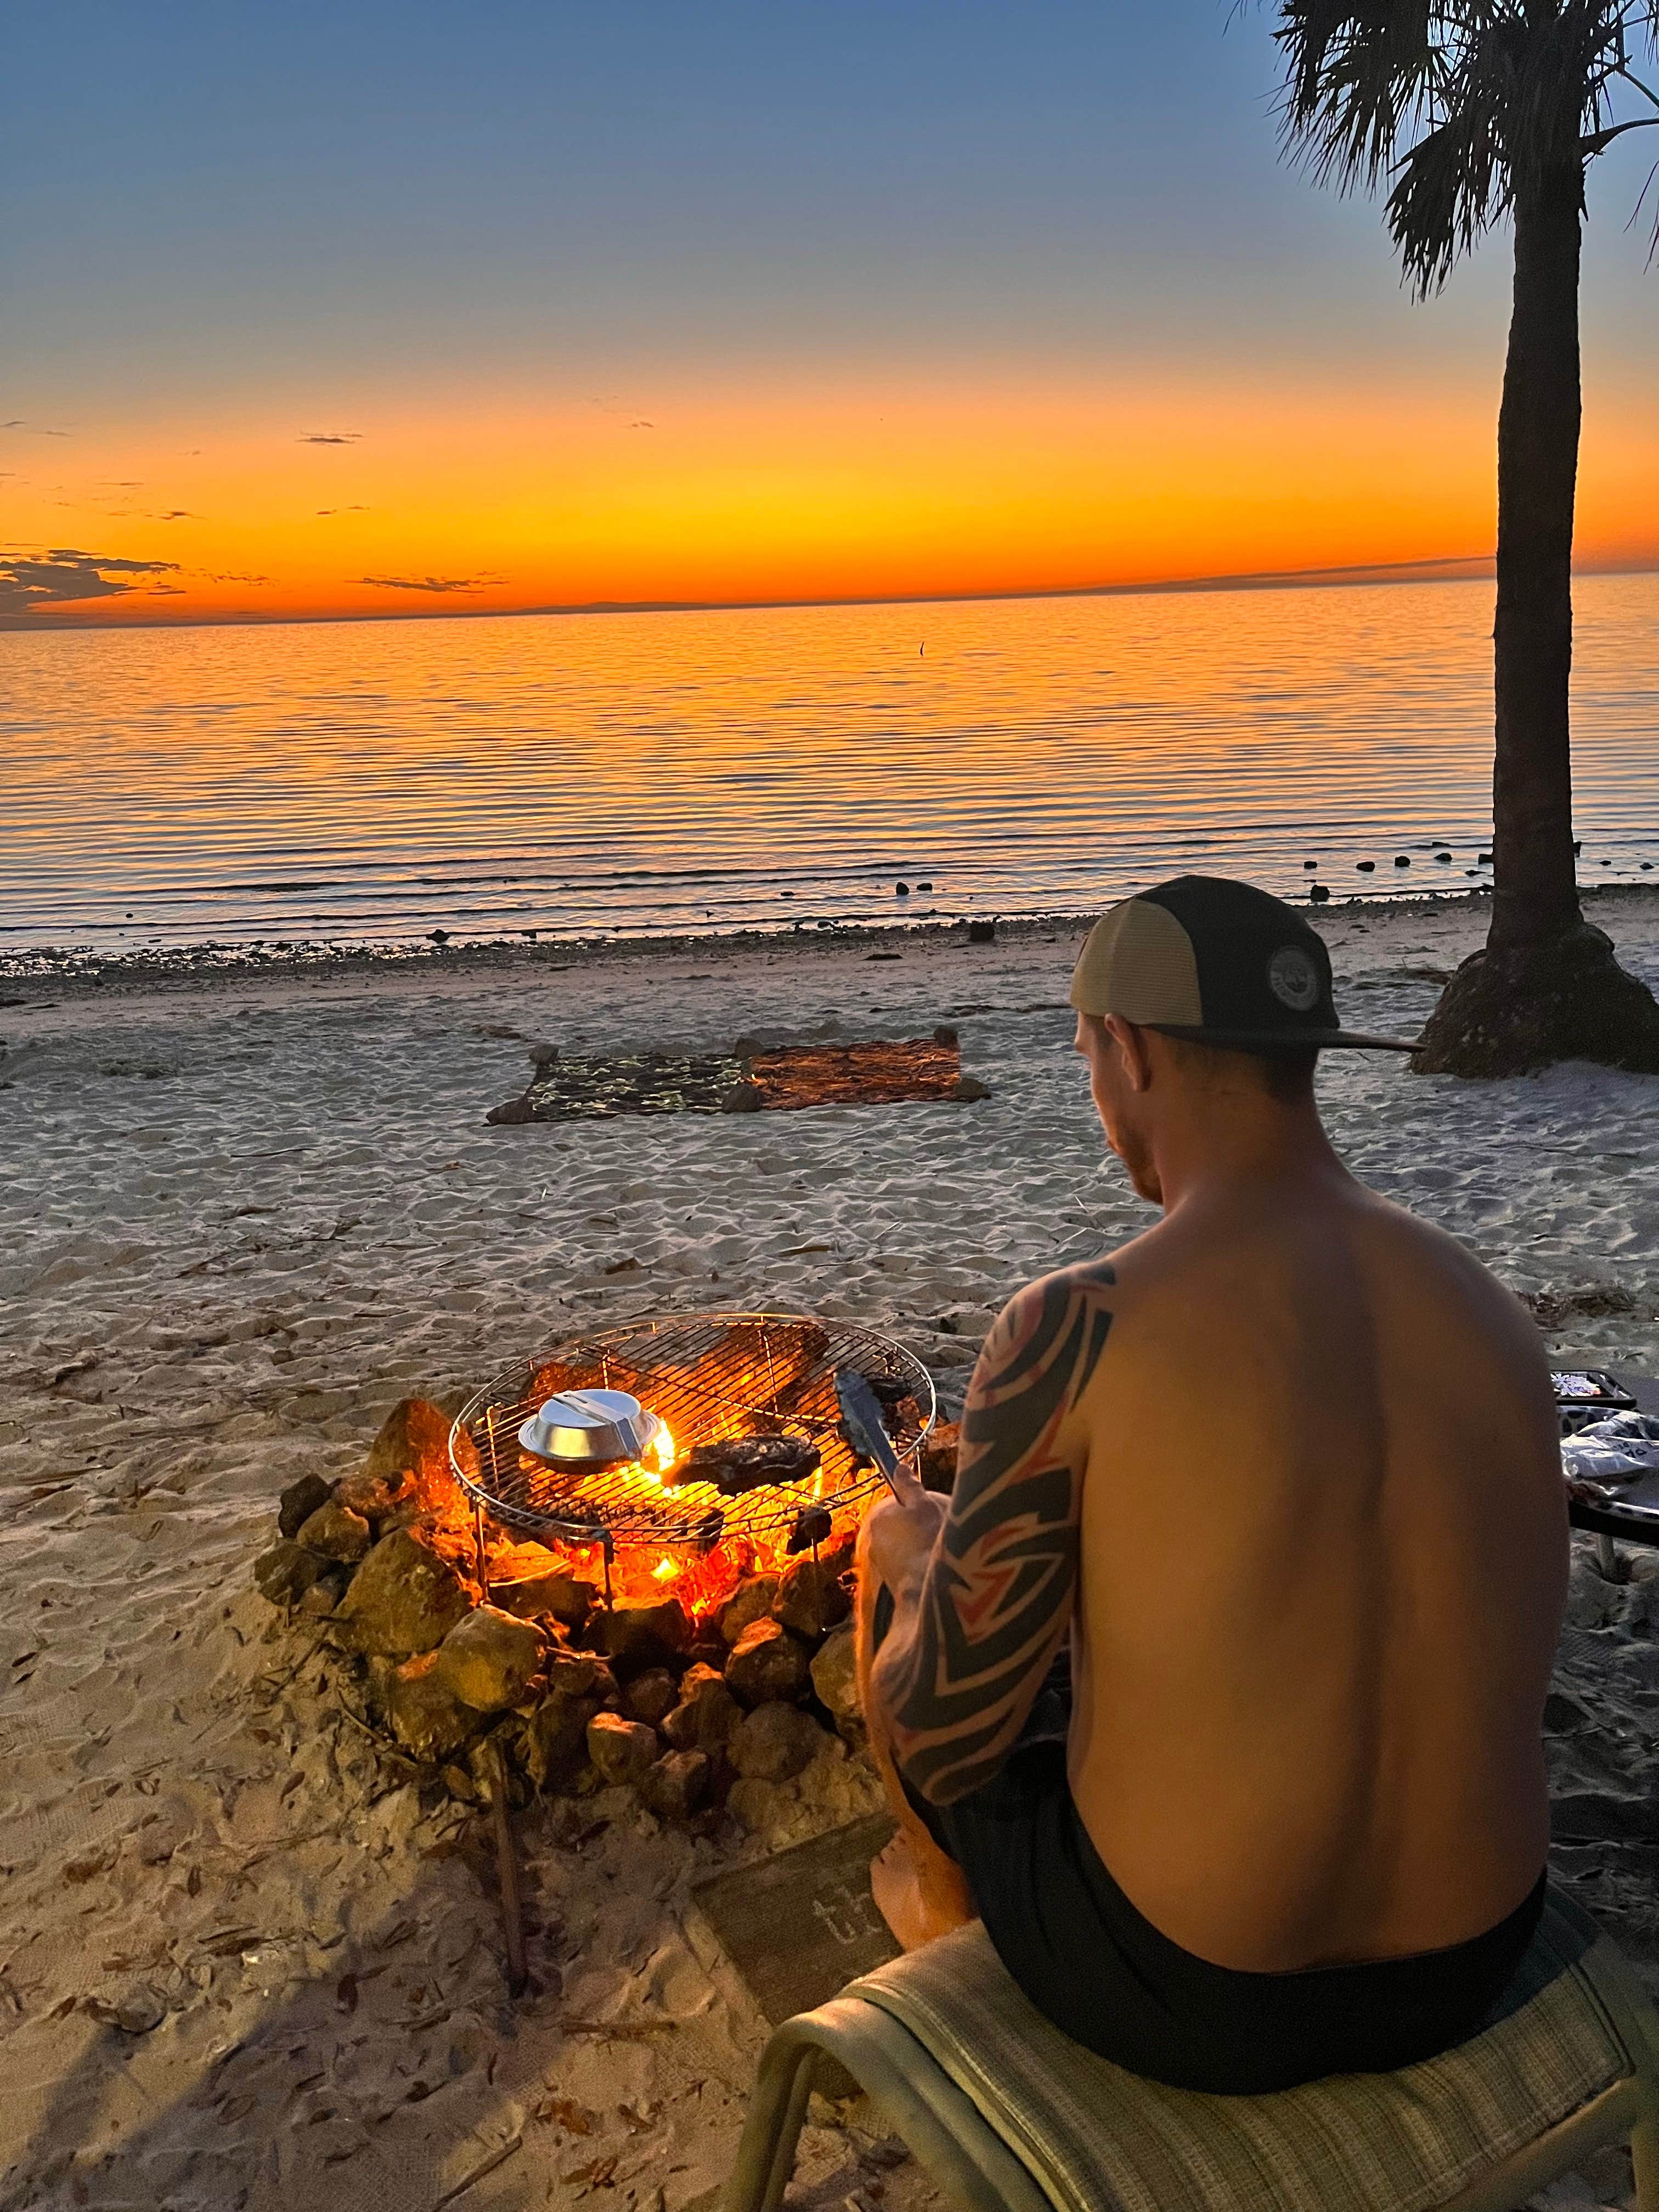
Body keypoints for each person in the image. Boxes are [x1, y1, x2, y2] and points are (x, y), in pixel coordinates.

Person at [855, 874, 1567, 2095]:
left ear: (1128, 1051)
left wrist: (915, 1572)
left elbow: (952, 1732)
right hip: (1477, 1957)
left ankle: (938, 1901)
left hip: (1199, 1995)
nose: (1096, 1092)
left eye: (1090, 1059)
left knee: (893, 1565)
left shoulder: (1071, 1327)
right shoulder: (1484, 1308)